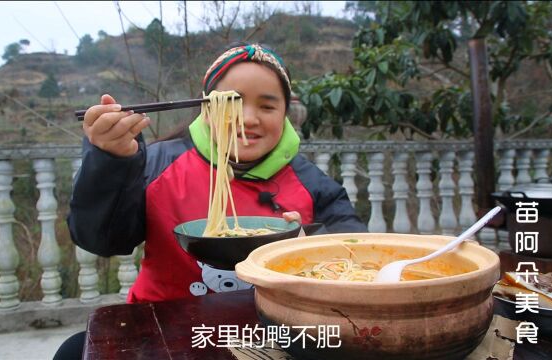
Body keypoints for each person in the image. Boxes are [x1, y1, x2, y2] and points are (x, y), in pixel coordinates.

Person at [54, 43, 366, 359]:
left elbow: (357, 254)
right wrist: (111, 162)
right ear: (207, 109)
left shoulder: (310, 182)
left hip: (269, 334)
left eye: (268, 107)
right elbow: (102, 240)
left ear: (287, 114)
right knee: (74, 351)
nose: (249, 119)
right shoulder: (156, 164)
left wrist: (311, 246)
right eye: (231, 104)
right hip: (164, 325)